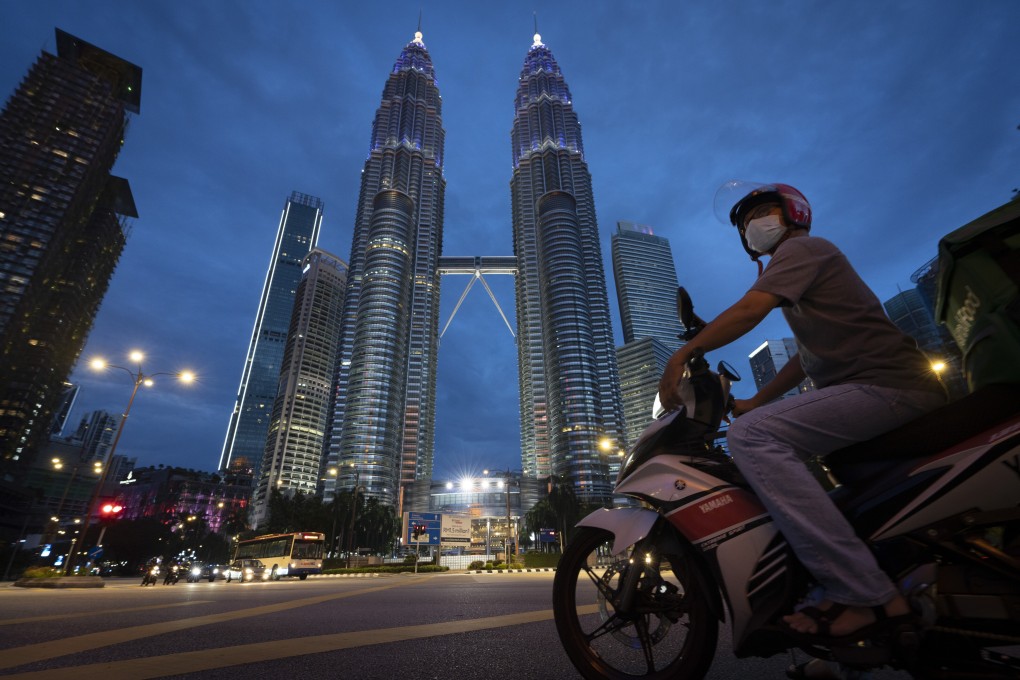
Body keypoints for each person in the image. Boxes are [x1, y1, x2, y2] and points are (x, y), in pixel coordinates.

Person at [658, 182, 947, 641]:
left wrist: (681, 355)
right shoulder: (800, 272)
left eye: (764, 213)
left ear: (792, 213)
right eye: (747, 224)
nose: (755, 226)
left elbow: (752, 309)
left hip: (889, 388)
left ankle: (861, 592)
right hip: (879, 391)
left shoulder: (804, 249)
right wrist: (755, 400)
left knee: (751, 437)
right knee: (785, 448)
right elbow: (805, 359)